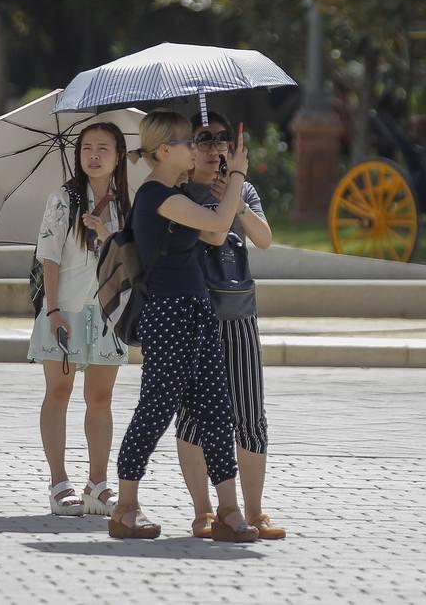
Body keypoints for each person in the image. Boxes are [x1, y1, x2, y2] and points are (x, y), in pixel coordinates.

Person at [108, 111, 258, 543]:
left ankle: (228, 510)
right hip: (169, 314)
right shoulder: (155, 195)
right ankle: (125, 507)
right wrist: (237, 178)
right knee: (156, 408)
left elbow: (213, 237)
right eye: (188, 143)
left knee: (216, 411)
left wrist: (225, 191)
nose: (198, 148)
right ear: (163, 150)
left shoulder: (176, 193)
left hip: (196, 311)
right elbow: (215, 224)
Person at [175, 111, 285, 541]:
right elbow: (215, 235)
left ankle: (254, 511)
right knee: (193, 418)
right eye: (204, 139)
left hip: (239, 314)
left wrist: (237, 197)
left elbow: (264, 237)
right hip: (194, 316)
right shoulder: (179, 193)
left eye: (222, 138)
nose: (215, 147)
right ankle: (204, 512)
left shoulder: (244, 190)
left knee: (250, 415)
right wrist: (226, 200)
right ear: (188, 145)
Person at [26, 123, 132, 517]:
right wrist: (52, 310)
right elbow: (48, 256)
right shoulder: (64, 198)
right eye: (87, 147)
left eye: (103, 148)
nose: (94, 155)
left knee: (100, 399)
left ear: (119, 155)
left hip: (108, 315)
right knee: (59, 393)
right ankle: (58, 483)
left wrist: (106, 233)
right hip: (65, 309)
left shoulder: (127, 204)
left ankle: (98, 485)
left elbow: (130, 261)